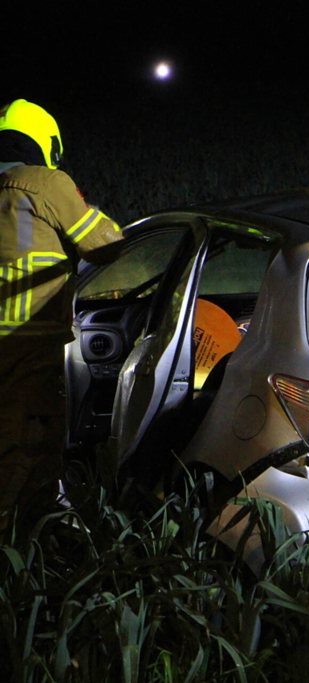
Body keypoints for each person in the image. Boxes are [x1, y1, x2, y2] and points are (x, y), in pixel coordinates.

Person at [0, 99, 122, 534]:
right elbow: (105, 242)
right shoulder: (43, 183)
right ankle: (21, 556)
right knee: (28, 450)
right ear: (44, 140)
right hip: (28, 343)